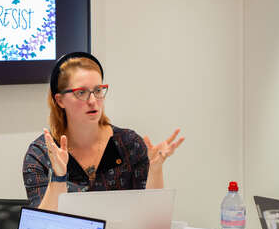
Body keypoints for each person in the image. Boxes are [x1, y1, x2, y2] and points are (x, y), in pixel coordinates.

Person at [23, 52, 184, 210]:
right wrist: (58, 177)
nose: (93, 101)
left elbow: (152, 219)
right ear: (60, 100)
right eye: (81, 92)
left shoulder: (129, 144)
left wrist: (155, 170)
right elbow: (43, 226)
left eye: (98, 90)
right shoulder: (41, 154)